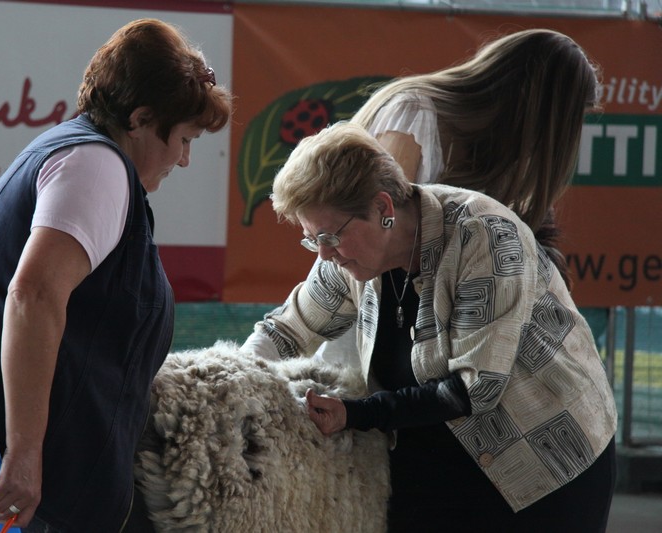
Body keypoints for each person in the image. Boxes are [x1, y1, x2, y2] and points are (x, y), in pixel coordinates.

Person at [0, 19, 232, 532]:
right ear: (140, 119)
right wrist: (23, 454)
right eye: (185, 139)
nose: (185, 159)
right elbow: (33, 296)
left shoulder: (73, 152)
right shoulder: (96, 166)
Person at [241, 122, 617, 532]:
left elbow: (474, 388)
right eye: (312, 239)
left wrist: (356, 413)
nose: (324, 255)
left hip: (544, 466)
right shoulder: (345, 260)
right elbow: (284, 331)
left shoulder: (485, 235)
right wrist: (235, 383)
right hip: (431, 464)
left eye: (329, 236)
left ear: (383, 209)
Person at [319, 28, 600, 365]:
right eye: (569, 122)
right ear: (543, 111)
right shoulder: (414, 113)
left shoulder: (501, 165)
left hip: (427, 343)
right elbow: (378, 240)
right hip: (371, 326)